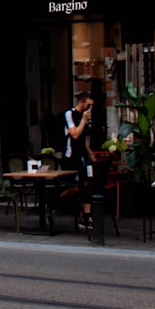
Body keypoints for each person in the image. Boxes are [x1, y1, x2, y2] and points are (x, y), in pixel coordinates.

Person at [64, 91, 94, 230]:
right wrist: (83, 119)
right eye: (88, 105)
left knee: (87, 185)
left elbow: (85, 140)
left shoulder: (86, 118)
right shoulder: (70, 114)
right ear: (81, 102)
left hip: (83, 157)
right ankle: (53, 202)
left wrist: (91, 155)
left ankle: (86, 217)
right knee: (75, 187)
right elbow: (75, 134)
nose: (90, 108)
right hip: (72, 156)